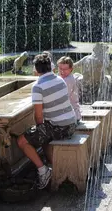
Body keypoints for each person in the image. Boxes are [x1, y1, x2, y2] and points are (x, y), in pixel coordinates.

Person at [17, 53, 77, 189]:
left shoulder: (37, 87)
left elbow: (38, 117)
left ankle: (43, 171)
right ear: (51, 66)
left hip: (60, 129)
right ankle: (52, 165)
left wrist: (40, 130)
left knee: (22, 140)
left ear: (36, 70)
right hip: (71, 124)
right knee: (43, 134)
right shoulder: (60, 80)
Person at [57, 56, 82, 122]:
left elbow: (61, 98)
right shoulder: (62, 78)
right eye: (60, 68)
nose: (62, 71)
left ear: (71, 69)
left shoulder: (68, 80)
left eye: (65, 69)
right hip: (70, 115)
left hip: (72, 117)